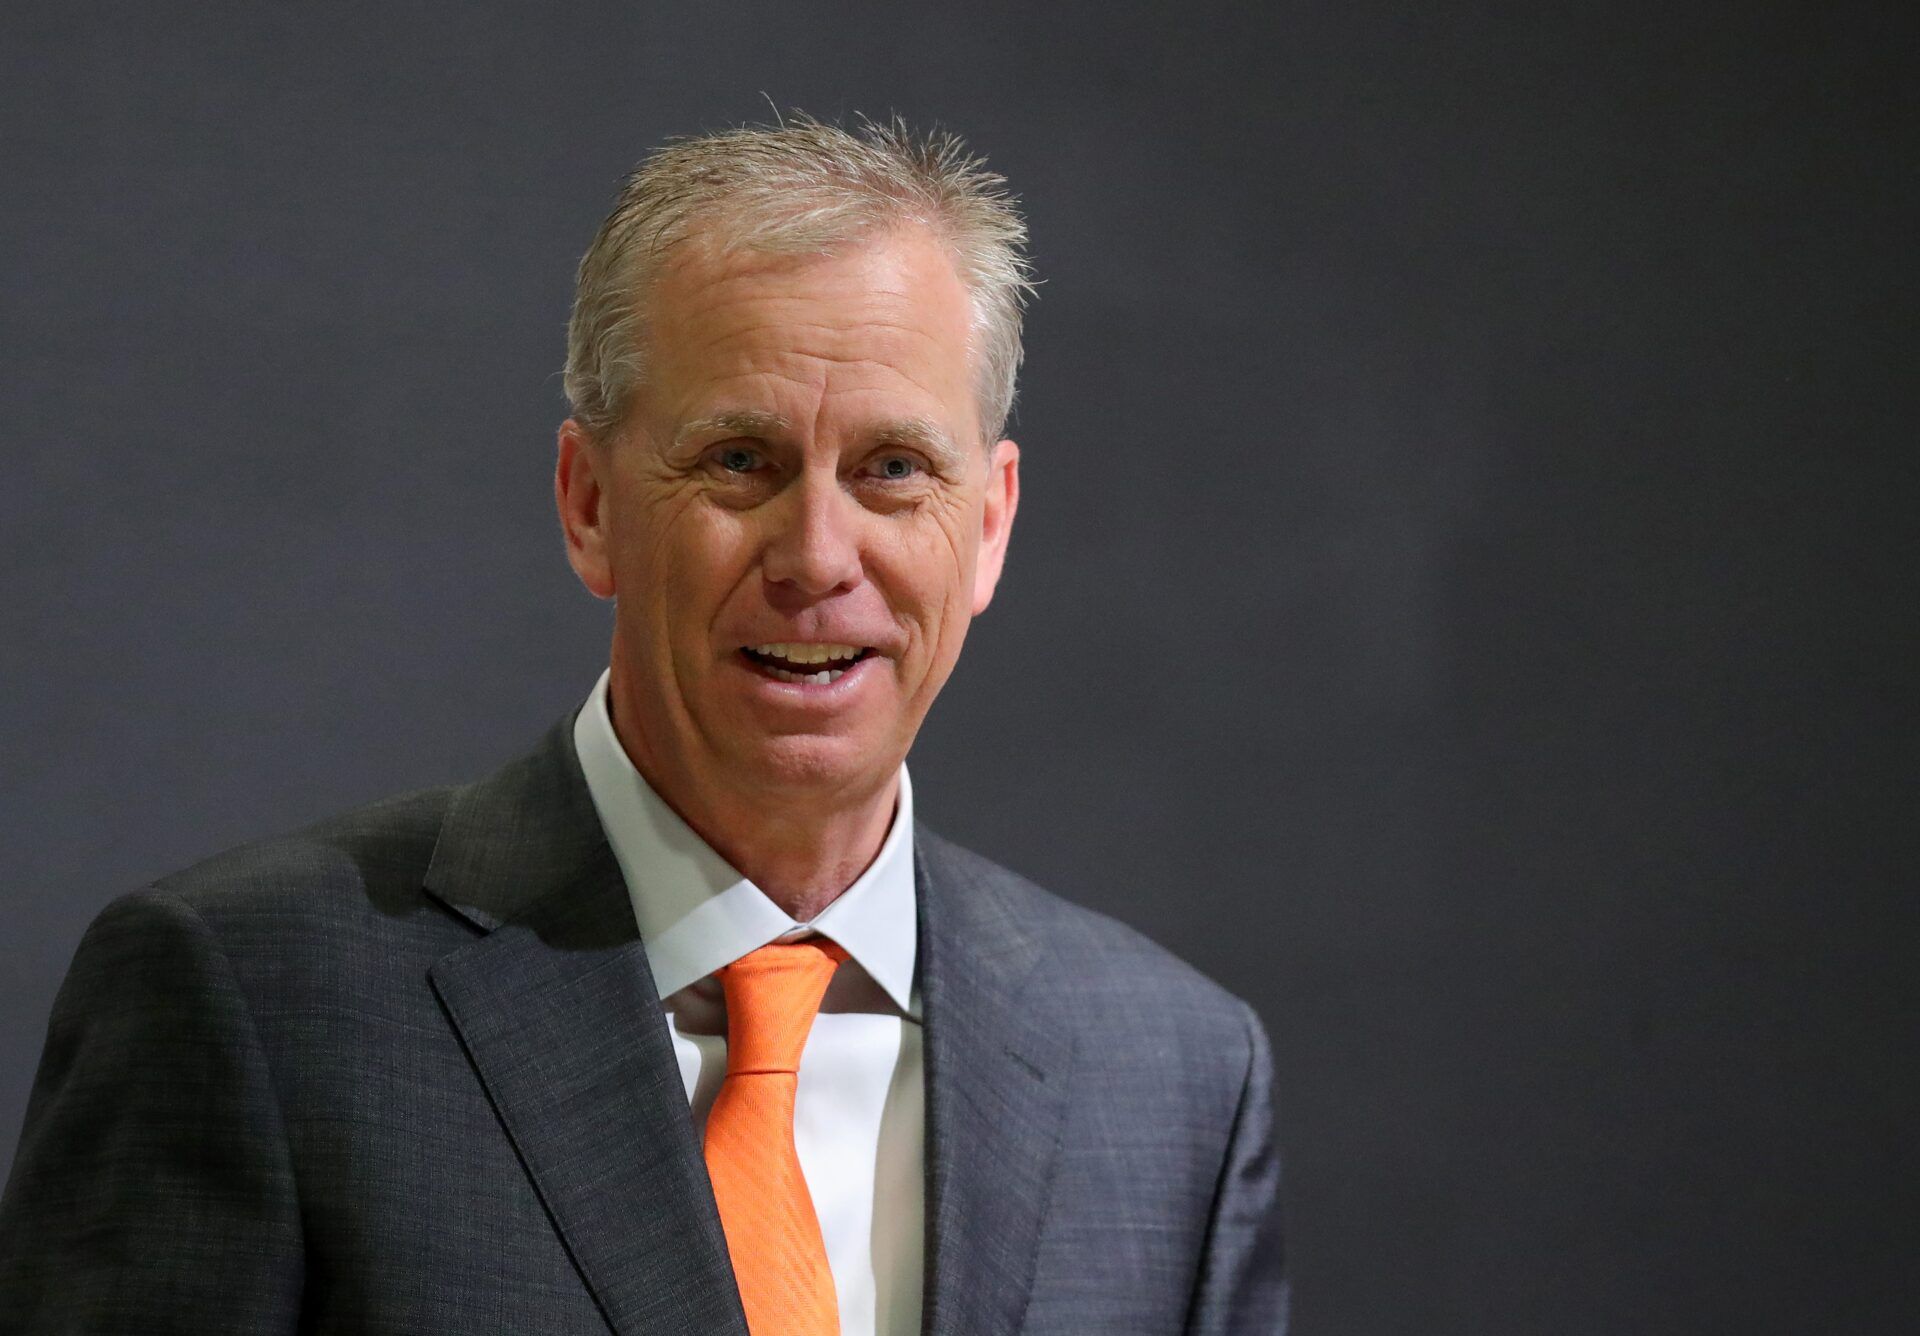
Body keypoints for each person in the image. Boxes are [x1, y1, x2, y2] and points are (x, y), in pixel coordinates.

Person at [0, 115, 1286, 1334]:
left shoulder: (1173, 1076)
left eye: (895, 469)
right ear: (589, 503)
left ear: (991, 523)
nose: (817, 556)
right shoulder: (254, 999)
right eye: (738, 459)